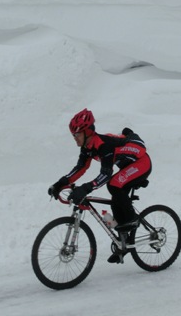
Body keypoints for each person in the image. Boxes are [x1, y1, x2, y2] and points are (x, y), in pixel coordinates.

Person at [48, 108, 152, 263]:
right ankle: (124, 244)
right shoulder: (87, 148)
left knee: (113, 184)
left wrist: (86, 188)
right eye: (73, 135)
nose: (74, 138)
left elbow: (105, 174)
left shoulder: (104, 146)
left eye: (76, 135)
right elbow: (80, 168)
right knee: (115, 204)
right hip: (127, 166)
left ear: (87, 132)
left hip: (141, 163)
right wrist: (59, 184)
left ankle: (132, 219)